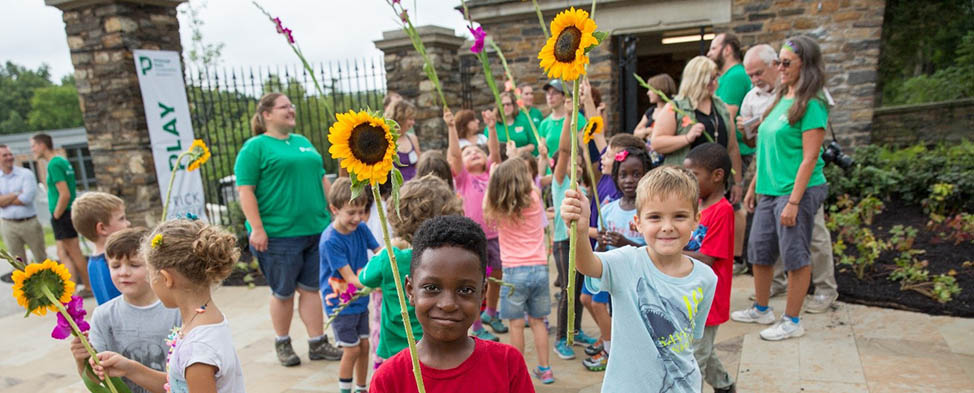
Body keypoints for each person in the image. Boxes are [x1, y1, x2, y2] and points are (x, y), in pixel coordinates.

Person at [561, 166, 717, 392]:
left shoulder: (706, 278)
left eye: (679, 216)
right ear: (638, 222)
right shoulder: (626, 261)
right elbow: (586, 264)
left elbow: (690, 338)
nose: (667, 227)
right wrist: (581, 230)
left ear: (696, 220)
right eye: (655, 217)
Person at [731, 36, 831, 341]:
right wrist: (752, 187)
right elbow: (765, 147)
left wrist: (794, 202)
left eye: (786, 62)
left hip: (795, 191)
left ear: (805, 65)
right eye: (778, 62)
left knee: (794, 255)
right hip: (769, 189)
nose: (780, 67)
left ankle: (792, 320)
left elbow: (810, 157)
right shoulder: (780, 99)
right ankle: (762, 308)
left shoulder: (811, 104)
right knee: (759, 251)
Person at [369, 215, 535, 393]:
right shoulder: (389, 379)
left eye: (465, 290)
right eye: (432, 287)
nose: (448, 305)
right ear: (410, 290)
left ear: (482, 293)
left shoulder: (507, 364)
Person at [234, 92, 342, 367]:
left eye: (291, 105)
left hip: (316, 229)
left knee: (311, 289)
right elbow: (245, 191)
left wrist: (334, 210)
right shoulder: (255, 148)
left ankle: (317, 342)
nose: (291, 110)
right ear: (266, 114)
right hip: (278, 235)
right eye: (284, 107)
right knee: (283, 292)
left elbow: (321, 178)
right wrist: (256, 228)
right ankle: (282, 342)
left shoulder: (303, 142)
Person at [91, 220, 245, 393]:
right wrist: (130, 368)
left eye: (150, 274)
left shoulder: (198, 350)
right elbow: (180, 385)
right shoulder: (203, 319)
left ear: (166, 279)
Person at [359, 174, 462, 370]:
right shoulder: (450, 258)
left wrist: (387, 250)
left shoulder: (391, 258)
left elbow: (365, 278)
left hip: (394, 353)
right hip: (436, 352)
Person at [69, 227, 181, 393]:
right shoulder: (103, 315)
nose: (123, 273)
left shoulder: (176, 311)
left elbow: (185, 381)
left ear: (155, 267)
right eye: (115, 266)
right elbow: (97, 380)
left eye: (134, 265)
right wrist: (82, 360)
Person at [583, 146, 657, 372]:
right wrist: (603, 245)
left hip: (640, 283)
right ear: (615, 177)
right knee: (612, 314)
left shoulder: (651, 211)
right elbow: (599, 252)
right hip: (615, 281)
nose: (629, 181)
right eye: (623, 175)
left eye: (637, 174)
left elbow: (655, 252)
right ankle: (614, 351)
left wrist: (625, 243)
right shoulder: (608, 209)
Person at [483, 158, 555, 384]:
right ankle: (545, 369)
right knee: (538, 321)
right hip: (539, 269)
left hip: (513, 273)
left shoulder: (498, 205)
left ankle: (518, 372)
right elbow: (534, 183)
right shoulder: (534, 198)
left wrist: (493, 176)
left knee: (515, 324)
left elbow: (486, 206)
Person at [444, 107, 505, 342]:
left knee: (496, 275)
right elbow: (455, 156)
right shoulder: (463, 179)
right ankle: (477, 323)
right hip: (474, 237)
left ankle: (491, 312)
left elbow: (496, 154)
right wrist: (451, 128)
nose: (474, 153)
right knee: (476, 280)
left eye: (477, 151)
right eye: (468, 152)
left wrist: (491, 128)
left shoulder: (491, 173)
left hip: (495, 234)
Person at [651, 56, 745, 206]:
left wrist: (737, 183)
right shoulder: (676, 107)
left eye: (716, 78)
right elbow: (656, 143)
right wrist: (686, 138)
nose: (715, 83)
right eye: (710, 79)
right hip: (685, 187)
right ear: (697, 79)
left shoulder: (722, 108)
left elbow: (733, 148)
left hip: (717, 188)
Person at [684, 143, 737, 393]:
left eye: (693, 176)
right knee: (701, 347)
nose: (689, 182)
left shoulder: (723, 211)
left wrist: (667, 251)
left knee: (694, 361)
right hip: (691, 293)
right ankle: (725, 385)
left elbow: (706, 258)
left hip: (709, 297)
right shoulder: (698, 205)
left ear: (717, 176)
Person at [320, 177, 381, 393]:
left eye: (361, 211)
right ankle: (345, 389)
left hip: (359, 300)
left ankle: (361, 388)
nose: (357, 218)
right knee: (352, 349)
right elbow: (350, 278)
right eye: (351, 213)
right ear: (334, 209)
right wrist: (377, 284)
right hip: (340, 302)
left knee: (365, 346)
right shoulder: (330, 240)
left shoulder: (361, 229)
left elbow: (379, 252)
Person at [550, 102, 598, 361]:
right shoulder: (560, 183)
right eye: (572, 164)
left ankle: (575, 330)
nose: (576, 167)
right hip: (562, 241)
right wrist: (569, 117)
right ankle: (561, 338)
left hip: (579, 241)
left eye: (579, 165)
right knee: (568, 289)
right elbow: (565, 150)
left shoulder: (584, 187)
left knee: (579, 287)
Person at [709, 32, 755, 279]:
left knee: (735, 205)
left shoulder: (736, 75)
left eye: (714, 47)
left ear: (727, 49)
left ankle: (737, 258)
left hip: (739, 152)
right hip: (727, 153)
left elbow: (727, 114)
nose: (709, 52)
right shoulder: (727, 76)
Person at [30, 133, 88, 297]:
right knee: (62, 252)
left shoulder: (53, 164)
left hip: (62, 213)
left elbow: (65, 193)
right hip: (66, 212)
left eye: (34, 146)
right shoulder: (62, 161)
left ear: (42, 145)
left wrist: (56, 214)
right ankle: (70, 289)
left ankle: (87, 287)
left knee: (74, 251)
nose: (32, 149)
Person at [71, 192, 131, 304]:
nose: (128, 223)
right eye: (121, 219)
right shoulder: (113, 262)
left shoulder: (92, 262)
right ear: (102, 228)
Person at [0, 144, 47, 264]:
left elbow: (26, 198)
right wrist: (16, 193)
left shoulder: (26, 174)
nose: (9, 157)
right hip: (9, 225)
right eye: (5, 155)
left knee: (41, 260)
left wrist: (5, 199)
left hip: (29, 223)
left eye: (10, 154)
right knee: (18, 263)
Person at [539, 79, 587, 160]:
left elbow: (585, 149)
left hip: (572, 168)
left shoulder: (577, 118)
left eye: (554, 93)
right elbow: (543, 157)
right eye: (548, 93)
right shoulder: (544, 124)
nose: (550, 97)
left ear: (564, 96)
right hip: (552, 171)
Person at [484, 91, 538, 157]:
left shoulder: (524, 121)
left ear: (513, 105)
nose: (505, 107)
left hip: (523, 159)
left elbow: (533, 144)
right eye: (502, 105)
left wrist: (520, 150)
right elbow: (487, 148)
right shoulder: (493, 125)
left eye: (508, 104)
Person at [385, 100, 422, 181]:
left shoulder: (412, 138)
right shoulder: (387, 141)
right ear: (400, 118)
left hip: (414, 186)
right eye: (410, 119)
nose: (413, 122)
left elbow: (419, 165)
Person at [633, 74, 677, 140]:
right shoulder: (651, 111)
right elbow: (636, 133)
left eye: (650, 89)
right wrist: (648, 130)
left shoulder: (674, 110)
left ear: (661, 90)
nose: (648, 93)